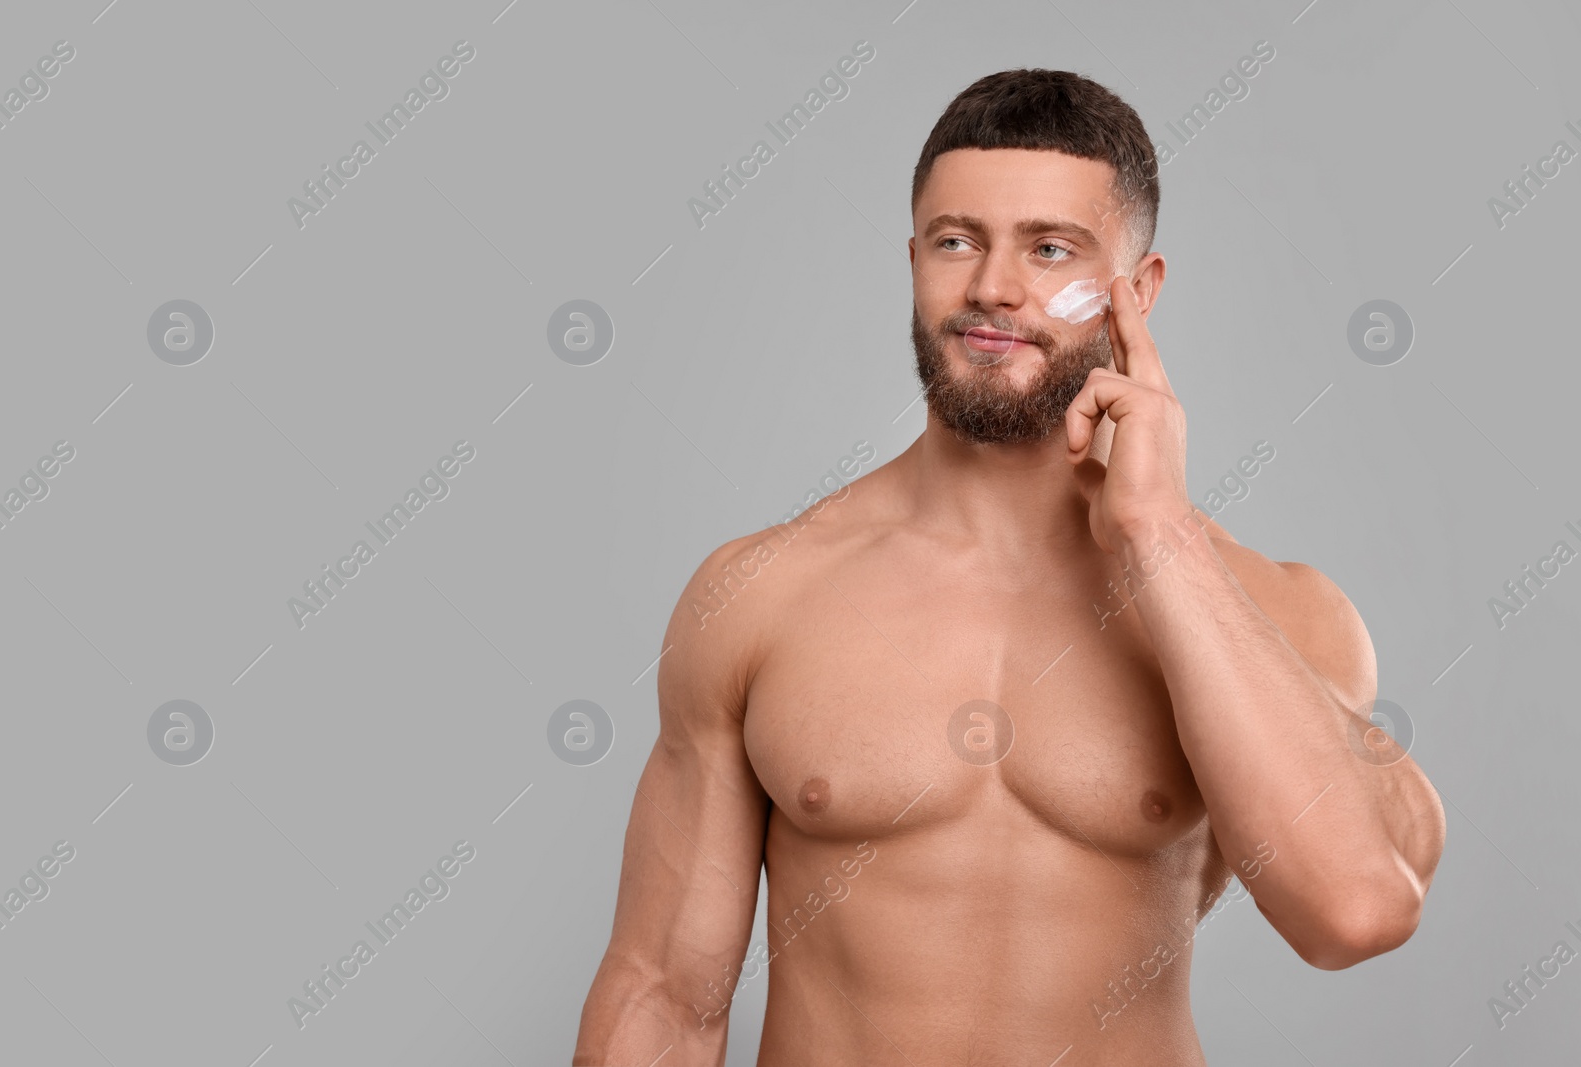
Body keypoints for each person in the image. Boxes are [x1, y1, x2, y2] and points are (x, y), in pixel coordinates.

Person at [572, 68, 1445, 1066]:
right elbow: (664, 995)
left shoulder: (1267, 610)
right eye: (956, 240)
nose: (992, 285)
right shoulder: (762, 595)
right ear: (913, 261)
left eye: (1049, 248)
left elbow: (1356, 907)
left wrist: (1157, 532)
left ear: (1139, 291)